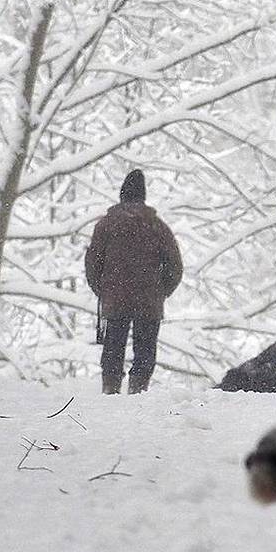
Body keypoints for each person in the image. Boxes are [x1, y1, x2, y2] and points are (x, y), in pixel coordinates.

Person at [84, 169, 183, 395]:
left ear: (122, 195)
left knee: (113, 349)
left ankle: (110, 391)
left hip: (115, 300)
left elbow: (92, 263)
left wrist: (104, 290)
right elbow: (175, 267)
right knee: (145, 351)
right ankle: (138, 391)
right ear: (143, 196)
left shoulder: (106, 226)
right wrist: (160, 291)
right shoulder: (158, 227)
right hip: (149, 301)